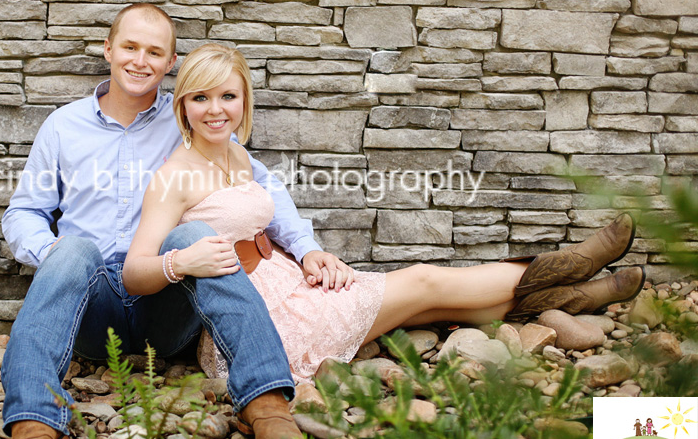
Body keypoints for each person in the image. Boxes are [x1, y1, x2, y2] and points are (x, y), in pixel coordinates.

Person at [122, 43, 646, 384]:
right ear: (182, 105)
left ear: (244, 100)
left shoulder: (236, 151)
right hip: (259, 325)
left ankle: (572, 295)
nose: (216, 109)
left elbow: (275, 215)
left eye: (228, 96)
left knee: (427, 310)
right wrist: (183, 260)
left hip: (289, 285)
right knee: (421, 282)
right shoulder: (175, 176)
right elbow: (134, 272)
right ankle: (572, 264)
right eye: (201, 98)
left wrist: (309, 253)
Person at [0, 4, 343, 439]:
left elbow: (261, 186)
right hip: (91, 302)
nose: (140, 60)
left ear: (170, 62)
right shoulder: (63, 126)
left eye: (155, 52)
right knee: (72, 248)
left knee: (196, 236)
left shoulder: (191, 116)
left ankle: (266, 404)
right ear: (108, 49)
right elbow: (24, 212)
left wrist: (305, 247)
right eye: (130, 47)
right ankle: (33, 427)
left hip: (167, 305)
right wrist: (53, 257)